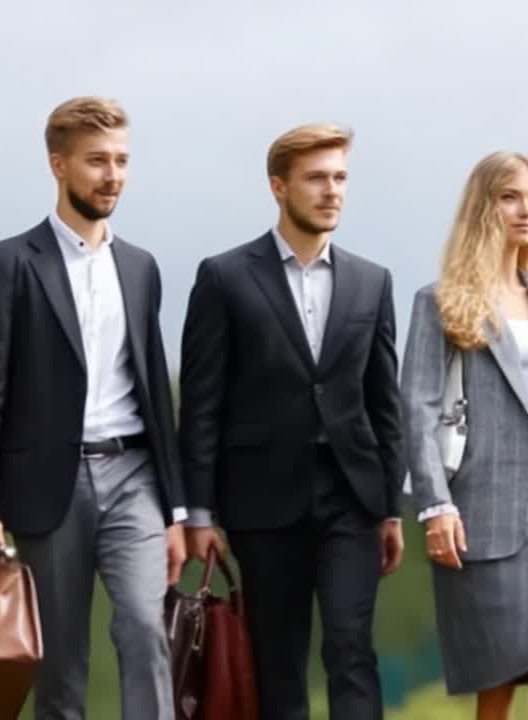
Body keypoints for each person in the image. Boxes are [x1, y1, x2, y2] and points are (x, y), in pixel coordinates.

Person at [0, 96, 186, 719]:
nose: (112, 176)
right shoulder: (5, 265)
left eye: (122, 161)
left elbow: (157, 396)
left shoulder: (140, 268)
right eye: (96, 161)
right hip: (46, 485)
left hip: (133, 475)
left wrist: (178, 507)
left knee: (144, 627)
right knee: (59, 664)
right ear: (58, 165)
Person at [178, 123, 405, 720]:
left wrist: (388, 507)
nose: (332, 191)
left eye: (339, 178)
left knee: (351, 647)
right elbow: (201, 404)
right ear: (279, 186)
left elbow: (385, 404)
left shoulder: (372, 282)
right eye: (316, 178)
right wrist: (198, 512)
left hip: (351, 500)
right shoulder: (224, 278)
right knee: (277, 662)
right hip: (261, 502)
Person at [401, 150, 528, 720]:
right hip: (480, 500)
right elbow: (414, 409)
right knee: (499, 676)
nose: (526, 210)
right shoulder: (438, 302)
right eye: (510, 197)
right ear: (483, 206)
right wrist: (434, 504)